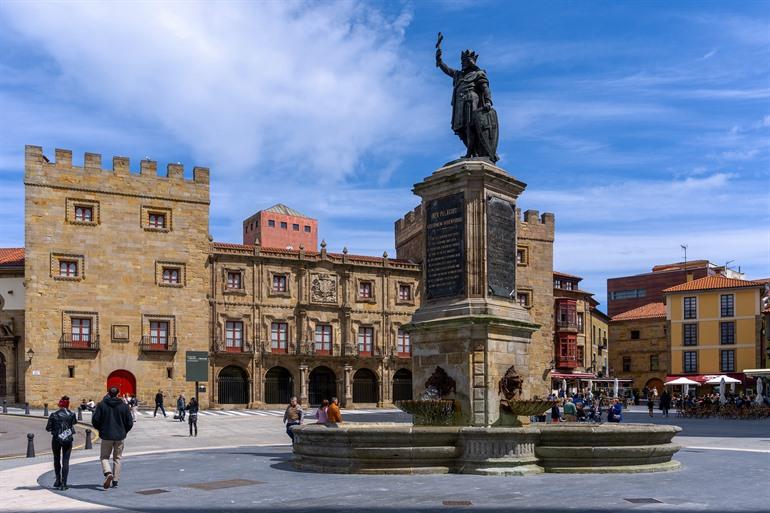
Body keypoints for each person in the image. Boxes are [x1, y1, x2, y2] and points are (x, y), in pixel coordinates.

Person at [92, 386, 134, 489]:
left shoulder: (102, 405)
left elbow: (95, 421)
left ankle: (108, 473)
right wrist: (124, 432)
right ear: (118, 394)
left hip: (106, 435)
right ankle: (115, 480)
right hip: (119, 436)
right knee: (118, 458)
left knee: (104, 457)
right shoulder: (124, 406)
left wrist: (101, 430)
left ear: (108, 393)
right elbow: (130, 422)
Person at [46, 396, 77, 490]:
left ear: (60, 404)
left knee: (56, 459)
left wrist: (56, 429)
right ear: (68, 404)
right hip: (67, 439)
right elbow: (73, 423)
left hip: (56, 439)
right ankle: (64, 483)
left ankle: (58, 480)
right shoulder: (72, 414)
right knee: (66, 461)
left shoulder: (54, 415)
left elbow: (48, 428)